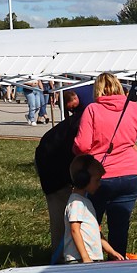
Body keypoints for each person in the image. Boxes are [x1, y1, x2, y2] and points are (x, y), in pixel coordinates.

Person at [73, 72, 137, 256]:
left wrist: (79, 152)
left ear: (97, 89)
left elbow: (82, 145)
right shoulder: (133, 108)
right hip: (130, 175)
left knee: (91, 225)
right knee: (120, 228)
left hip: (100, 176)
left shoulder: (93, 109)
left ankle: (90, 262)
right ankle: (117, 263)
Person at [34, 90, 82, 255]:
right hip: (53, 169)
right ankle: (62, 258)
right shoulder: (82, 122)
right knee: (62, 216)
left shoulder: (82, 117)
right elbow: (80, 148)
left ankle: (72, 254)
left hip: (57, 163)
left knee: (70, 216)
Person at [61, 155, 124, 264]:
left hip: (90, 258)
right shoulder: (76, 203)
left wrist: (111, 251)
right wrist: (85, 257)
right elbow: (75, 230)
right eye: (97, 180)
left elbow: (96, 233)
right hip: (79, 259)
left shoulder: (85, 202)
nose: (99, 184)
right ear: (83, 179)